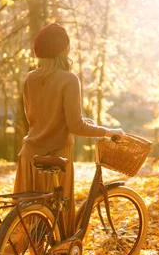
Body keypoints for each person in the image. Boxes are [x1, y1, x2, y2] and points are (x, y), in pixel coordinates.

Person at [15, 23, 125, 237]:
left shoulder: (30, 78)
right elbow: (76, 126)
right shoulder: (69, 79)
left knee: (27, 226)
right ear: (63, 50)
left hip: (29, 158)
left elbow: (34, 117)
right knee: (57, 226)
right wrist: (107, 131)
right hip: (56, 159)